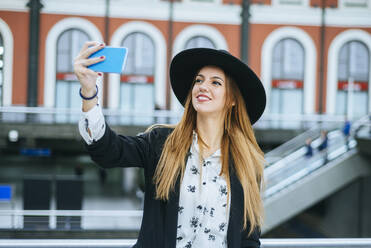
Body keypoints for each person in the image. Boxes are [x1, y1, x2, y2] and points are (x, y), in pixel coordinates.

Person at [74, 42, 266, 248]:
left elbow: (248, 238)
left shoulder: (246, 162)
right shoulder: (161, 143)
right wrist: (89, 92)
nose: (203, 86)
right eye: (199, 80)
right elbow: (107, 151)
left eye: (216, 83)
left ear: (232, 100)